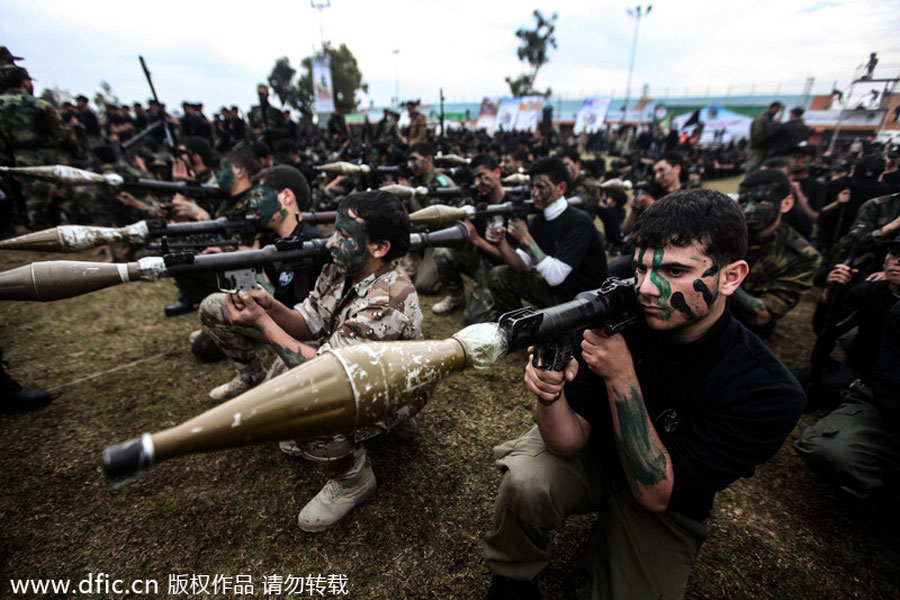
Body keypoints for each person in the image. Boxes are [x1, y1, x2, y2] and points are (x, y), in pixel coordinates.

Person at [482, 189, 806, 599]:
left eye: (673, 271)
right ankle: (513, 577)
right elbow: (565, 442)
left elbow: (657, 494)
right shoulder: (613, 318)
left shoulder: (766, 390)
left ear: (731, 277)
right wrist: (550, 395)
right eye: (642, 268)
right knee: (527, 483)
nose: (648, 288)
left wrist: (621, 376)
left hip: (665, 496)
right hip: (593, 455)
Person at [224, 190, 426, 532]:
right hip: (358, 368)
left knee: (304, 403)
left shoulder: (387, 302)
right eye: (335, 231)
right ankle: (386, 431)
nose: (331, 243)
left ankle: (353, 480)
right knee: (276, 391)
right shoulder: (341, 268)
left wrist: (262, 323)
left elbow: (325, 375)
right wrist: (270, 306)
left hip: (394, 387)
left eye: (345, 235)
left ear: (379, 248)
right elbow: (309, 322)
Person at [198, 165, 325, 399]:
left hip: (308, 335)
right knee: (213, 306)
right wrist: (234, 259)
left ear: (286, 196)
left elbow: (303, 312)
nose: (253, 204)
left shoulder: (312, 243)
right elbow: (272, 291)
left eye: (259, 195)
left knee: (271, 398)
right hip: (277, 318)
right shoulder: (273, 241)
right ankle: (249, 375)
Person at [794, 236, 900, 499]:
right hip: (861, 376)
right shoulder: (870, 291)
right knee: (785, 383)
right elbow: (827, 330)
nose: (898, 262)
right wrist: (831, 294)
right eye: (895, 253)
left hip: (882, 387)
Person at [487, 156, 607, 315]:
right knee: (498, 275)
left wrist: (524, 237)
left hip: (585, 302)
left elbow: (555, 276)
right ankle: (520, 329)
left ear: (561, 188)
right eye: (532, 187)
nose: (534, 193)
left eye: (541, 187)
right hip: (558, 292)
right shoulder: (539, 220)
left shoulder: (578, 222)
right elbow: (521, 263)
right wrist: (501, 242)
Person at [730, 169, 822, 338]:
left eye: (761, 201)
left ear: (786, 204)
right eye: (743, 202)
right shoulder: (722, 234)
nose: (749, 210)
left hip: (743, 332)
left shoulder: (803, 256)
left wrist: (720, 273)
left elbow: (761, 315)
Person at [431, 154, 507, 322]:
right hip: (478, 259)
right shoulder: (478, 200)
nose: (478, 183)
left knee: (473, 319)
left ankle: (501, 305)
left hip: (499, 269)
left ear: (497, 172)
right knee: (442, 252)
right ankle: (456, 297)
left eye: (483, 176)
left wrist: (478, 240)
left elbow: (514, 260)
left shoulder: (511, 206)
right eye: (476, 178)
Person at [746, 102, 782, 173]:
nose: (777, 111)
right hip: (757, 149)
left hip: (764, 149)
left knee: (759, 169)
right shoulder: (761, 120)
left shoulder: (770, 121)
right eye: (776, 109)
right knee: (752, 168)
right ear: (771, 108)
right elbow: (758, 136)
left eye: (778, 110)